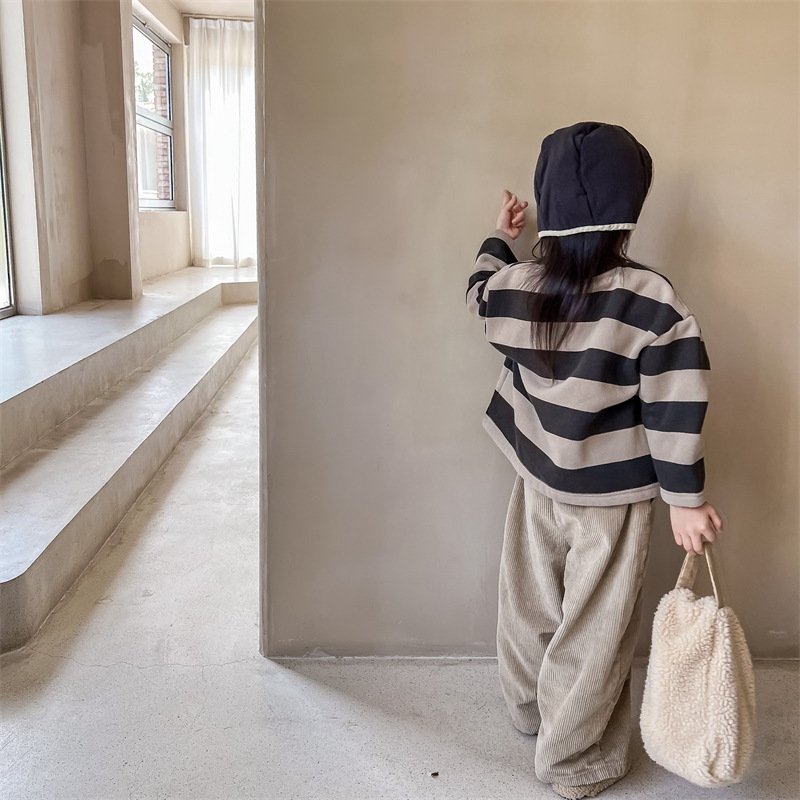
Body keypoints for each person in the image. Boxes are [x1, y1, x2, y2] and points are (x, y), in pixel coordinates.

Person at [465, 122, 724, 799]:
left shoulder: (518, 286)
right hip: (613, 497)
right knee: (596, 626)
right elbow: (675, 403)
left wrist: (499, 237)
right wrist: (685, 499)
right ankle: (573, 760)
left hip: (536, 477)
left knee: (527, 600)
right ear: (629, 207)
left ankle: (528, 710)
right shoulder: (652, 302)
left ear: (548, 203)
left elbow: (480, 293)